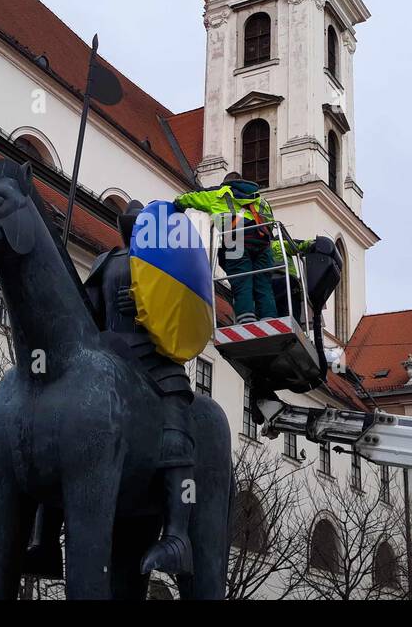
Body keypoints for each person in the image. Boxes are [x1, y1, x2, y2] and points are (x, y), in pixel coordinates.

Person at [85, 200, 197, 576]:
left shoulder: (168, 262)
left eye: (138, 225)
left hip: (155, 359)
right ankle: (44, 531)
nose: (132, 230)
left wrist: (146, 304)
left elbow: (182, 311)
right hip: (110, 356)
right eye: (129, 224)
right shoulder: (105, 261)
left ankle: (178, 534)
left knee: (176, 428)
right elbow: (89, 315)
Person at [174, 172, 277, 324]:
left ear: (226, 183)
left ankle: (246, 318)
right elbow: (271, 224)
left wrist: (177, 205)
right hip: (263, 245)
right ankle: (269, 318)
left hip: (236, 241)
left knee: (242, 281)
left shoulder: (219, 193)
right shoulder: (262, 200)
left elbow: (189, 197)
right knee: (263, 284)